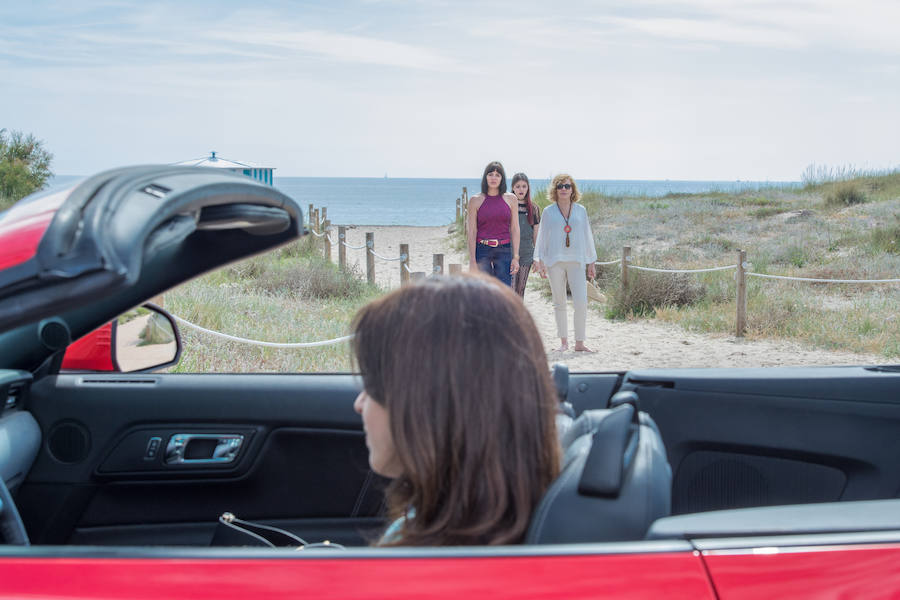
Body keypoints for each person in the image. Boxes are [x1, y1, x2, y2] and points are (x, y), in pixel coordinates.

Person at [351, 274, 560, 546]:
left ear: (426, 406)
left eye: (372, 385)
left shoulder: (423, 565)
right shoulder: (504, 534)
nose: (359, 403)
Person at [533, 174, 598, 352]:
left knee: (581, 302)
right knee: (559, 301)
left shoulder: (581, 210)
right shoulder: (548, 212)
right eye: (560, 186)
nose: (563, 189)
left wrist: (591, 260)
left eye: (567, 186)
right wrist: (538, 259)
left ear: (572, 189)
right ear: (555, 189)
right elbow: (542, 237)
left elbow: (587, 235)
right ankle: (563, 342)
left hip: (577, 260)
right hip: (554, 261)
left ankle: (579, 343)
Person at [467, 161, 520, 285]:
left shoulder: (511, 199)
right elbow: (472, 231)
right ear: (485, 177)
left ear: (502, 178)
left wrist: (516, 257)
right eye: (490, 174)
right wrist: (472, 260)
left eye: (497, 175)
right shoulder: (475, 200)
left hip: (504, 249)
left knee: (503, 290)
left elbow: (515, 229)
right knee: (483, 290)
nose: (494, 178)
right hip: (482, 249)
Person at [510, 172, 541, 297]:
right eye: (518, 186)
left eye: (524, 186)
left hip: (527, 253)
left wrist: (537, 258)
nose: (521, 189)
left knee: (520, 289)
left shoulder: (534, 208)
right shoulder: (507, 206)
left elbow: (536, 235)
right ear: (512, 188)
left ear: (528, 188)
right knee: (510, 289)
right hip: (510, 253)